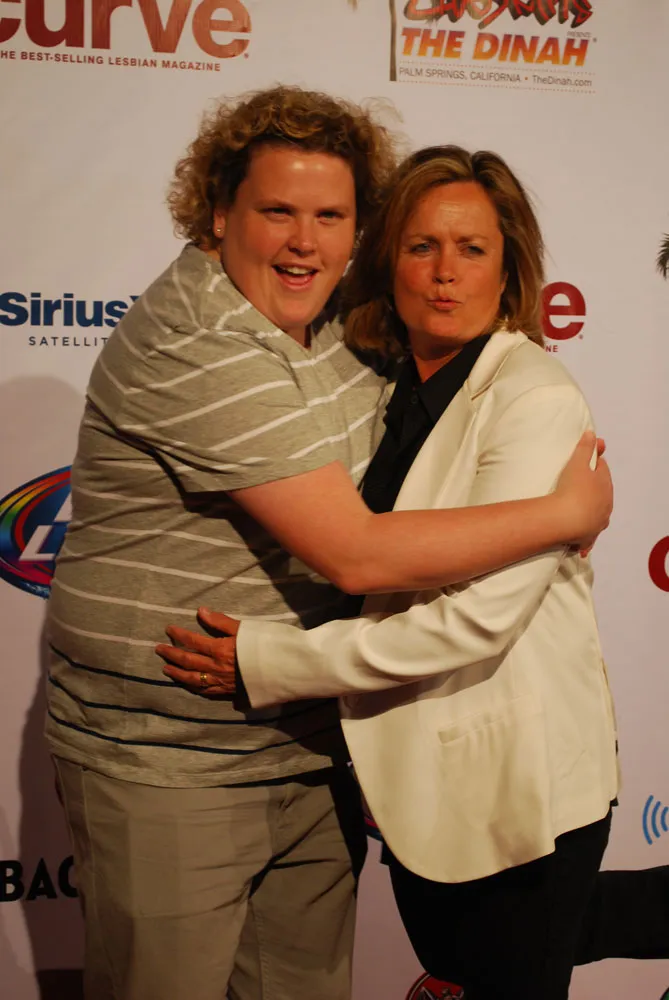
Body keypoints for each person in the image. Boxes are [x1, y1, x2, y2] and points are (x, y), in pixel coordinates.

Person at [46, 89, 610, 1000]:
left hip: (316, 758)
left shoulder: (361, 324)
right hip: (169, 765)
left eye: (331, 217)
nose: (304, 243)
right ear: (218, 213)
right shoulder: (200, 339)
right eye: (277, 211)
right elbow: (356, 554)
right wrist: (563, 513)